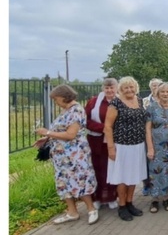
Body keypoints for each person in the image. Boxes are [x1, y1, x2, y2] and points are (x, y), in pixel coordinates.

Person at [35, 84, 98, 225]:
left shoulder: (75, 110)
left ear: (64, 97)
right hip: (61, 157)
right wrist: (47, 138)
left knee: (80, 179)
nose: (56, 103)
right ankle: (72, 212)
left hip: (75, 155)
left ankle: (91, 209)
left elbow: (70, 134)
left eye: (56, 99)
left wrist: (47, 132)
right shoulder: (66, 110)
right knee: (63, 182)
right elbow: (61, 130)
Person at [104, 75, 147, 221]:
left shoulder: (140, 101)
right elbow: (107, 126)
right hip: (121, 146)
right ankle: (122, 206)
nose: (129, 90)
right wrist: (111, 147)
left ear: (136, 88)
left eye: (131, 87)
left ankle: (130, 202)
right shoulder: (116, 103)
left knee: (133, 175)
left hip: (138, 145)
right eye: (126, 87)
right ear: (121, 90)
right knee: (122, 177)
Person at [144, 81, 168, 213]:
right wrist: (150, 148)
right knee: (156, 172)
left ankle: (167, 198)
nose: (165, 94)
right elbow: (148, 129)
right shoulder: (152, 108)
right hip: (157, 147)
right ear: (158, 93)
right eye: (163, 92)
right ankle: (155, 199)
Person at [85, 78, 119, 210]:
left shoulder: (120, 101)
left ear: (116, 88)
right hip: (97, 141)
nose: (109, 90)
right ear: (103, 88)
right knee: (97, 169)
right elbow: (85, 120)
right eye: (107, 88)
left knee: (111, 169)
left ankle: (111, 197)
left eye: (112, 88)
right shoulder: (94, 102)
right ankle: (97, 198)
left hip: (115, 140)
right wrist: (103, 128)